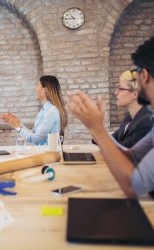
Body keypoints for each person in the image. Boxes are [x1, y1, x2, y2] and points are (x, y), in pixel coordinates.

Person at [67, 36, 154, 198]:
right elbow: (131, 156)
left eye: (138, 71)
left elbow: (132, 186)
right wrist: (95, 124)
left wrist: (97, 128)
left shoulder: (146, 120)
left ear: (145, 75)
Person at [0, 75, 67, 145]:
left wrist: (18, 127)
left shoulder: (51, 111)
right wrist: (17, 123)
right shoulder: (44, 110)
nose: (35, 89)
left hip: (47, 155)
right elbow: (34, 134)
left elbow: (36, 139)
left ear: (45, 90)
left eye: (37, 86)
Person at [95, 70, 153, 148]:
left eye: (121, 89)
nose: (116, 92)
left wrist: (98, 126)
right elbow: (114, 139)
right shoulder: (129, 116)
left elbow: (121, 152)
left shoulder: (146, 122)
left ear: (134, 94)